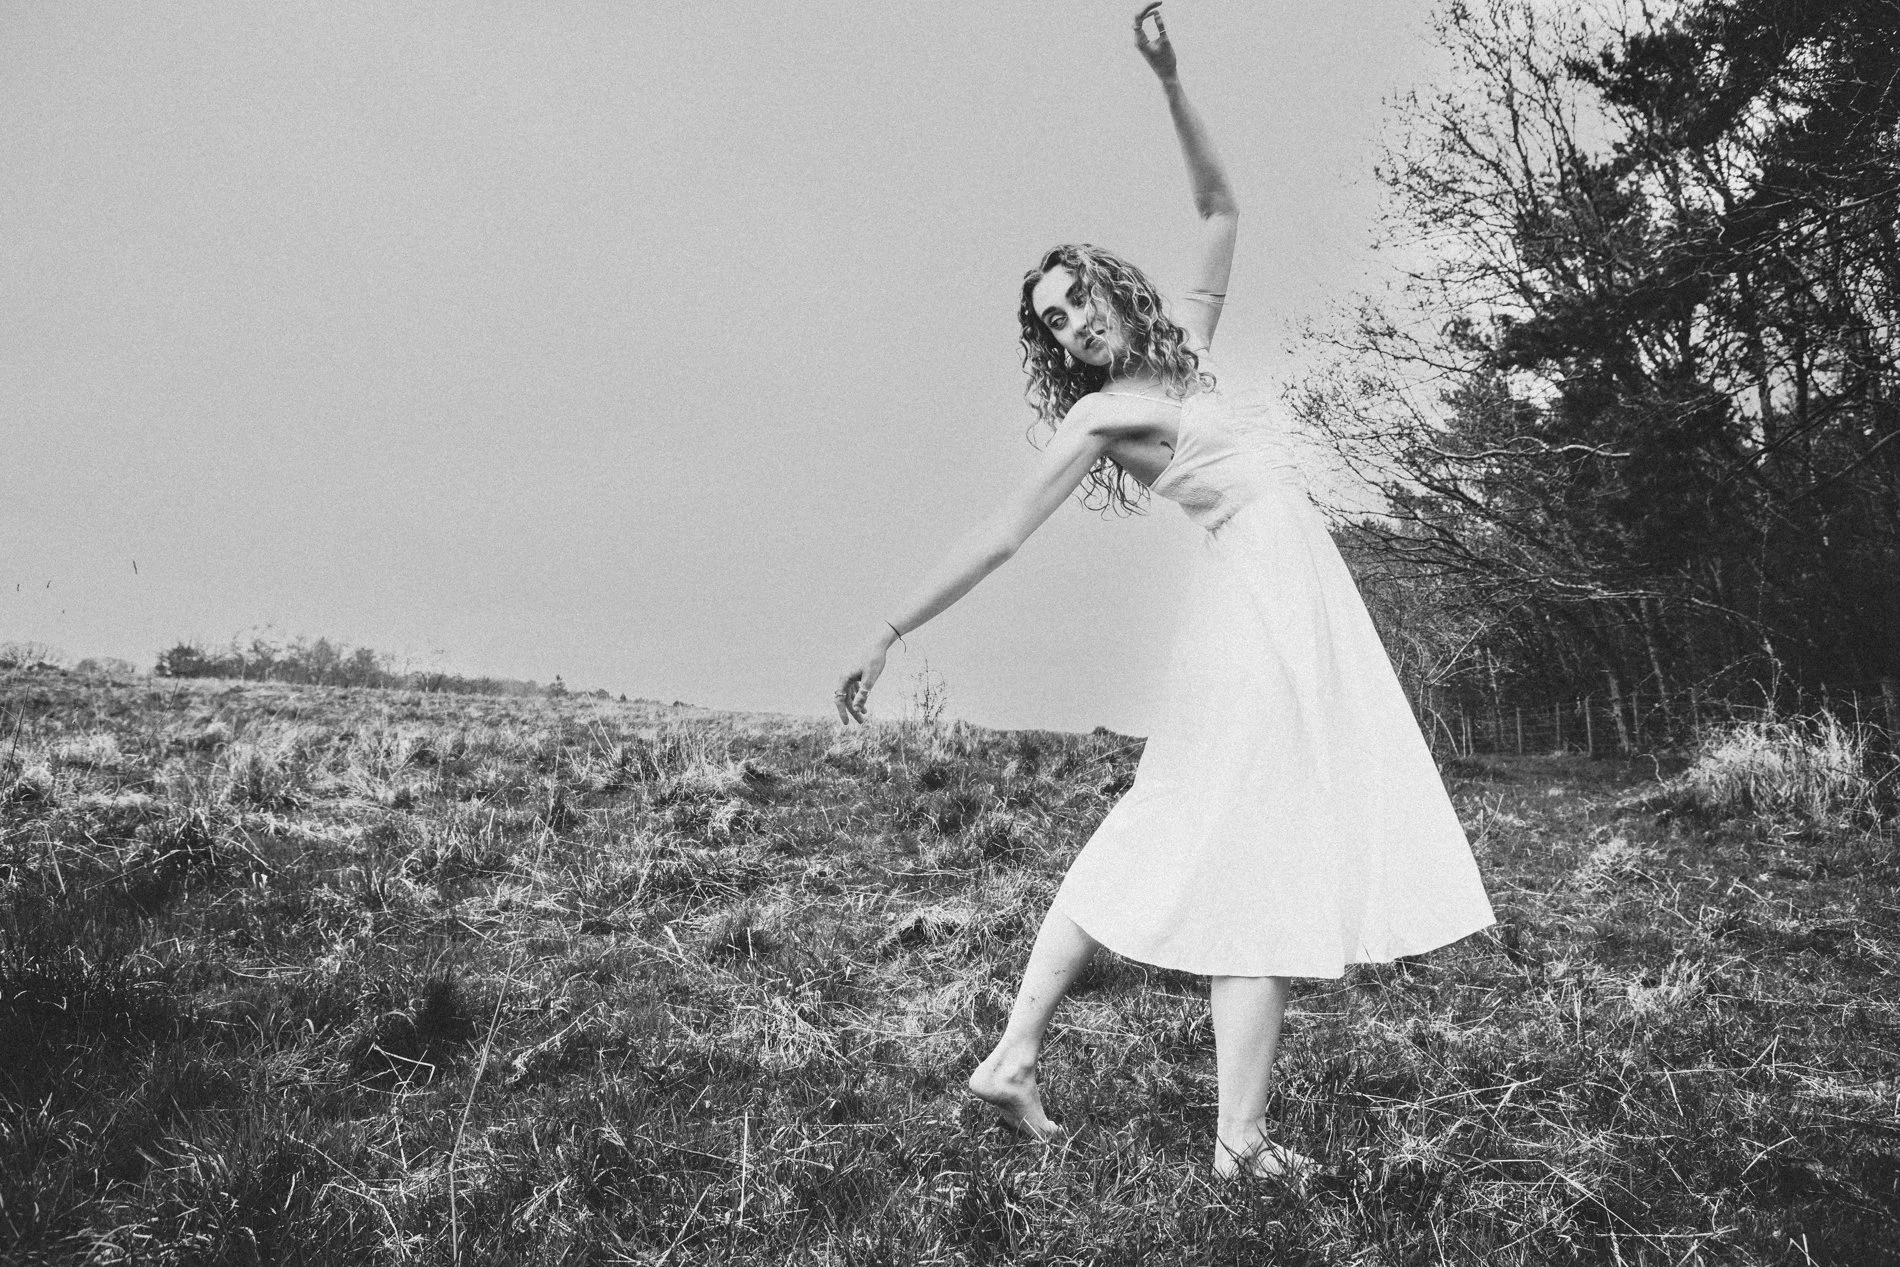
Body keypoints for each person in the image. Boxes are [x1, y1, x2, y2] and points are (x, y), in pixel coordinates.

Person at [832, 3, 1495, 1181]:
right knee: (1248, 844)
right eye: (1053, 322)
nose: (1074, 323)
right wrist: (890, 628)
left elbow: (1220, 209)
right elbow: (1000, 531)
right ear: (1055, 351)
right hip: (1246, 615)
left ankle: (1017, 1056)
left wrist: (1170, 78)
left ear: (1109, 286)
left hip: (1286, 601)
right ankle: (1228, 1139)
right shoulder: (1103, 414)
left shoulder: (1181, 354)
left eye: (1078, 296)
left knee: (1192, 829)